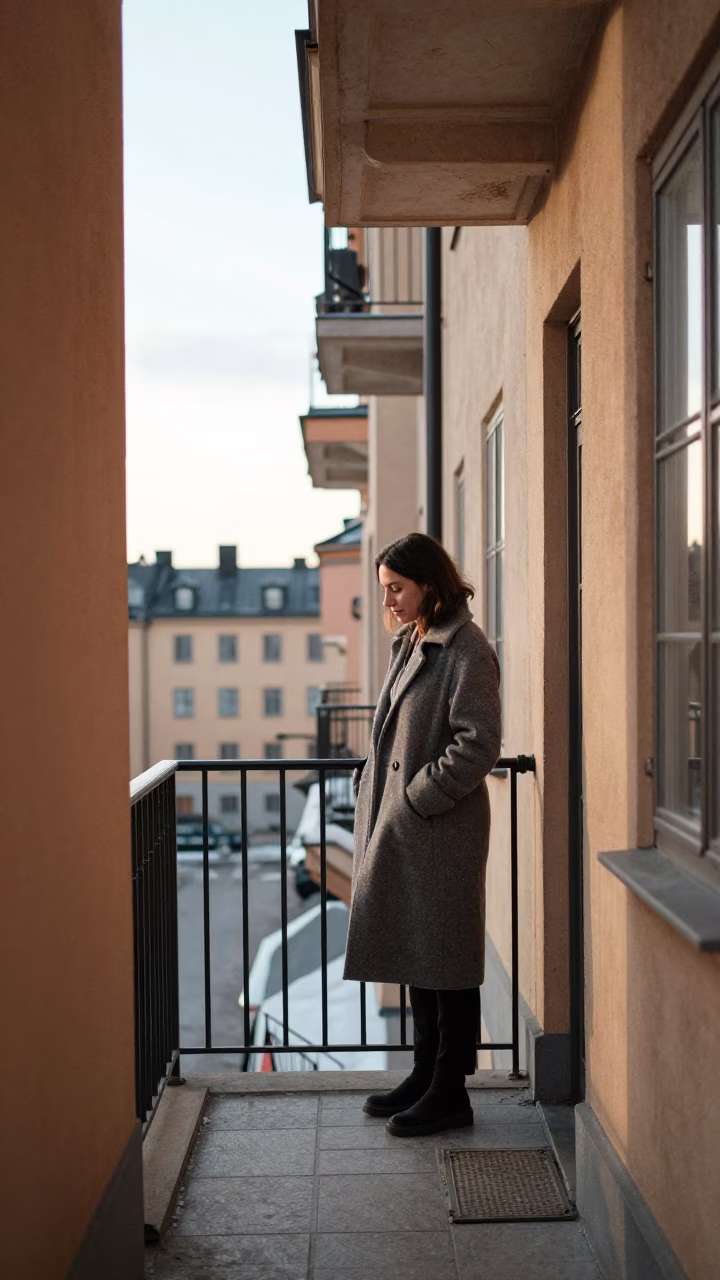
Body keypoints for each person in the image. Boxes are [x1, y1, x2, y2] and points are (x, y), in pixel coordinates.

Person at [344, 532, 502, 1137]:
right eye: (385, 590)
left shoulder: (466, 648)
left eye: (396, 589)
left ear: (428, 584)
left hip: (440, 833)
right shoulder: (413, 642)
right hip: (409, 829)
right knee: (419, 955)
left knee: (447, 963)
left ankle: (449, 1092)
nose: (390, 601)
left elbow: (479, 743)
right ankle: (422, 1074)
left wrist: (416, 798)